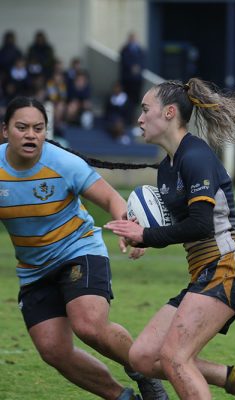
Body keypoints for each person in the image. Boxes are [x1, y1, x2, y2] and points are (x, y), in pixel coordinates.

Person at [104, 78, 235, 400]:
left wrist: (147, 235)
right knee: (143, 356)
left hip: (227, 266)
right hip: (205, 272)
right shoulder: (167, 168)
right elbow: (175, 223)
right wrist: (142, 238)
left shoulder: (196, 157)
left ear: (169, 113)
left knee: (173, 357)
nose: (139, 119)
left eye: (145, 110)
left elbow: (200, 226)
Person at [0, 96, 169, 399]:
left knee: (89, 324)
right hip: (34, 269)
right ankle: (122, 397)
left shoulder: (63, 162)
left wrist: (130, 228)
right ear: (5, 131)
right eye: (22, 127)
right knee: (53, 350)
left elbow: (110, 199)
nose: (30, 134)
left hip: (78, 250)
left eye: (38, 128)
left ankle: (141, 368)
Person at [119, 32, 145, 124]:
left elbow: (143, 62)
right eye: (131, 38)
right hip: (127, 80)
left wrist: (138, 68)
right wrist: (132, 67)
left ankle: (132, 119)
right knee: (126, 100)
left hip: (137, 81)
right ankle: (126, 119)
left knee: (136, 102)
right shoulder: (124, 50)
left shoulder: (140, 50)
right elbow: (124, 62)